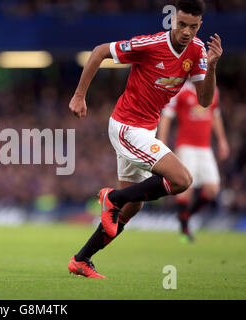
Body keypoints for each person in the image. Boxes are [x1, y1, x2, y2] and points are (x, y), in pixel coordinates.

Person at [67, 0, 223, 278]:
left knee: (133, 206)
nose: (187, 31)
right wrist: (79, 95)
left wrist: (211, 67)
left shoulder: (198, 51)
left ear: (200, 26)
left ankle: (81, 259)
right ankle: (111, 198)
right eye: (182, 24)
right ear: (172, 20)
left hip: (145, 129)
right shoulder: (150, 45)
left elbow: (205, 100)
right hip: (126, 127)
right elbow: (100, 51)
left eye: (194, 27)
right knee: (182, 179)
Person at [157, 82, 229, 242]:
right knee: (186, 187)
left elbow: (215, 114)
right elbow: (167, 116)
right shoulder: (181, 91)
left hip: (205, 148)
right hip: (186, 146)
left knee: (212, 189)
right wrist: (161, 142)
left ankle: (185, 216)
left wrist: (222, 140)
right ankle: (184, 228)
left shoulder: (213, 90)